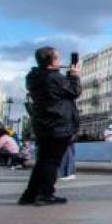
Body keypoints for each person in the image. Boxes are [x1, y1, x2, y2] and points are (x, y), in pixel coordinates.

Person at [19, 46, 80, 206]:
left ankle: (30, 194)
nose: (60, 61)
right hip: (58, 124)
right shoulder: (53, 78)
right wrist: (74, 76)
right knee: (52, 162)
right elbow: (74, 91)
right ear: (51, 61)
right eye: (57, 58)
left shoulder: (34, 77)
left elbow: (59, 93)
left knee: (43, 161)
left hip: (43, 124)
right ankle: (45, 194)